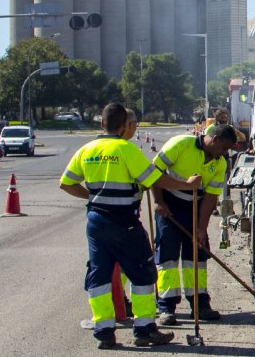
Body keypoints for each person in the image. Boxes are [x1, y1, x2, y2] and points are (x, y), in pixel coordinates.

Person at [59, 103, 201, 350]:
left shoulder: (87, 150)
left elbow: (67, 183)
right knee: (143, 273)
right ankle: (144, 329)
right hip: (124, 222)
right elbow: (155, 179)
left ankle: (104, 332)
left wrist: (93, 197)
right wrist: (188, 185)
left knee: (99, 275)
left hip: (96, 222)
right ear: (125, 126)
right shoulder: (126, 150)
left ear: (101, 124)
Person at [151, 123, 237, 325]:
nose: (225, 153)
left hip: (195, 209)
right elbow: (154, 172)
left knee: (197, 258)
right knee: (168, 258)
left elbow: (210, 197)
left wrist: (201, 228)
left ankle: (200, 304)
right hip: (169, 207)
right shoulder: (180, 144)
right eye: (224, 148)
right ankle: (166, 307)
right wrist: (159, 201)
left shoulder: (220, 163)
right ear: (214, 140)